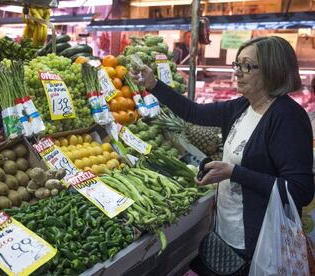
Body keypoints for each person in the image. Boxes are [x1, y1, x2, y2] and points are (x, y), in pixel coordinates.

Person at [132, 36, 314, 274]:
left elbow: (300, 190)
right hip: (229, 230)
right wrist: (154, 85)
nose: (238, 72)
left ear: (272, 70)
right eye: (237, 64)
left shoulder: (288, 117)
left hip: (262, 240)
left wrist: (235, 173)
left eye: (247, 65)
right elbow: (193, 112)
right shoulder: (243, 106)